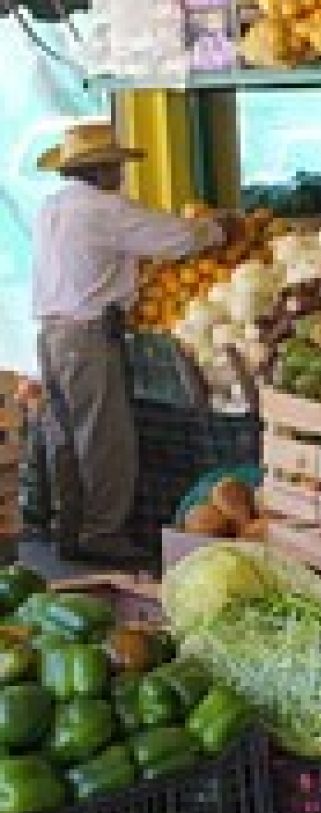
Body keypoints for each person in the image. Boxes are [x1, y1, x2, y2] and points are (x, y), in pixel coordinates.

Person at [30, 122, 231, 565]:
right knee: (104, 437)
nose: (121, 174)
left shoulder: (53, 206)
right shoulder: (104, 209)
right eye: (116, 166)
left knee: (64, 432)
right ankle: (102, 533)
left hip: (54, 333)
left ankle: (66, 524)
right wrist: (216, 229)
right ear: (101, 171)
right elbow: (177, 238)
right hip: (87, 336)